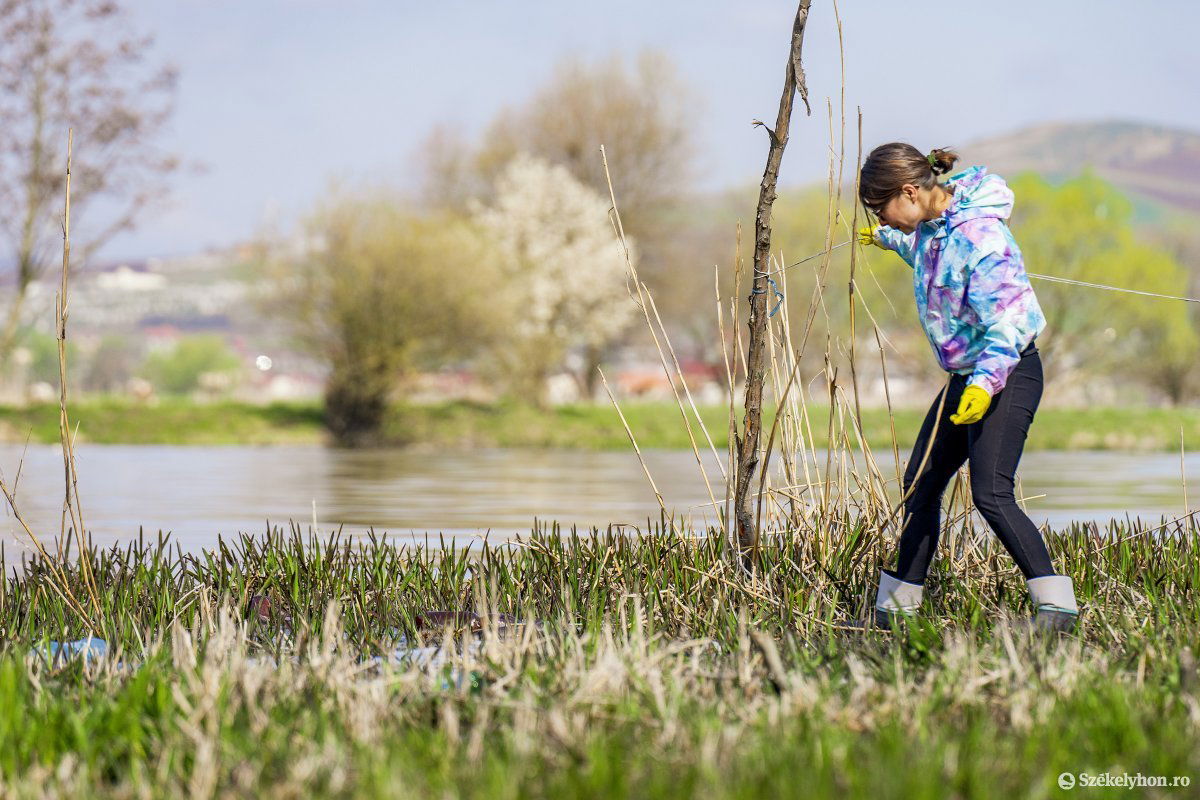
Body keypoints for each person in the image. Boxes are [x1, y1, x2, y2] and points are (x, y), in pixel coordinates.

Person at [856, 143, 1078, 633]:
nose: (882, 217)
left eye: (881, 208)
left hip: (1009, 372)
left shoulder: (981, 236)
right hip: (968, 376)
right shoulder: (933, 226)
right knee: (921, 486)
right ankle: (896, 611)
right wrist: (887, 239)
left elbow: (1010, 324)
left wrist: (984, 387)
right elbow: (929, 255)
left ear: (910, 192)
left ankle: (1057, 609)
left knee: (991, 493)